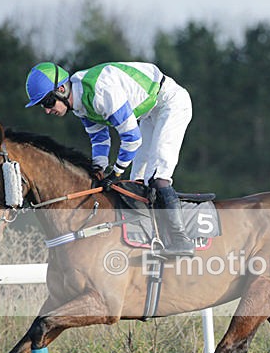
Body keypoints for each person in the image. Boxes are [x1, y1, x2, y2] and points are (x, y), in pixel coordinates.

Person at [24, 61, 194, 257]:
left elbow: (132, 139)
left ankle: (181, 240)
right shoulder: (79, 102)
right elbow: (99, 138)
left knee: (157, 177)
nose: (46, 110)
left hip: (170, 103)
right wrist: (99, 168)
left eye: (47, 102)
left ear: (61, 89)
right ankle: (150, 238)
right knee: (138, 181)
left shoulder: (100, 93)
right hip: (149, 114)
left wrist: (116, 172)